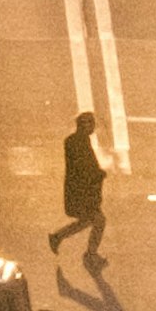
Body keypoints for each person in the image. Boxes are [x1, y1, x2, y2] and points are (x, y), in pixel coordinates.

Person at [53, 110, 109, 274]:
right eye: (90, 123)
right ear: (83, 125)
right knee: (98, 221)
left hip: (82, 191)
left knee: (89, 220)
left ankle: (57, 237)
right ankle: (90, 256)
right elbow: (83, 167)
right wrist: (98, 174)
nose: (93, 126)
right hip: (81, 192)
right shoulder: (77, 142)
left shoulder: (78, 140)